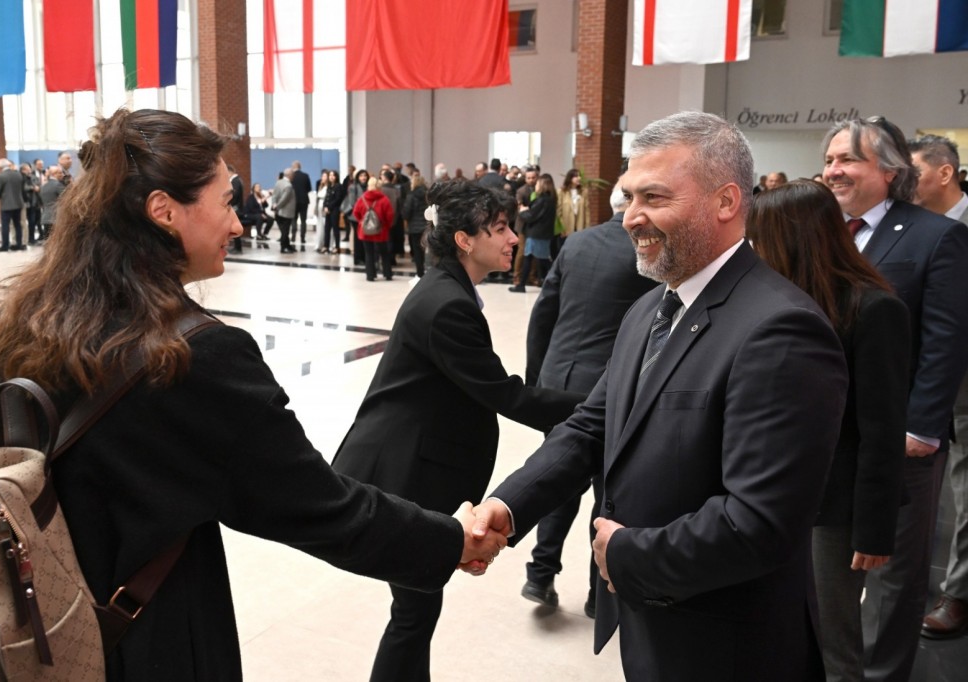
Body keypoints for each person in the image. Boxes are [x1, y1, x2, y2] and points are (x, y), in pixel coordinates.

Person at [0, 108, 505, 682]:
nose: (238, 225)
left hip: (27, 635)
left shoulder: (8, 327)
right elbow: (320, 506)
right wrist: (451, 539)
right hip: (148, 640)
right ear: (164, 210)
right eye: (226, 202)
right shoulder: (198, 357)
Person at [471, 111, 849, 681]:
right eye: (629, 197)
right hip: (654, 625)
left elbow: (761, 522)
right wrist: (507, 505)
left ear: (726, 202)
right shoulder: (650, 308)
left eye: (654, 197)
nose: (630, 217)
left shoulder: (780, 330)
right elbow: (591, 426)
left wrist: (627, 555)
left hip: (724, 644)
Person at [332, 179, 584, 681]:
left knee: (416, 609)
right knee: (414, 612)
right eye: (500, 228)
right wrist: (598, 408)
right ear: (464, 240)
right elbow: (506, 395)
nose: (513, 238)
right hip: (400, 473)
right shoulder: (447, 304)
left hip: (410, 465)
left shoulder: (447, 290)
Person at [822, 117, 968, 681]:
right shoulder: (820, 233)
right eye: (829, 159)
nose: (834, 170)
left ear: (889, 170)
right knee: (827, 572)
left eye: (848, 160)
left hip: (900, 439)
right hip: (827, 436)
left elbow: (945, 340)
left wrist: (922, 428)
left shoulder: (936, 236)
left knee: (893, 577)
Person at [748, 180, 910, 680]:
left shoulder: (873, 308)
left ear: (792, 239)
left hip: (835, 508)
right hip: (772, 495)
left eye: (760, 238)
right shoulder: (779, 302)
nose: (751, 249)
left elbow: (883, 429)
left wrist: (874, 529)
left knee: (832, 639)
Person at [521, 175, 659, 616]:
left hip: (559, 380)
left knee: (558, 479)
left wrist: (538, 378)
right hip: (609, 390)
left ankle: (540, 574)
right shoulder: (647, 252)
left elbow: (543, 313)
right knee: (608, 494)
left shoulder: (577, 242)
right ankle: (599, 594)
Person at [908, 134, 968, 640]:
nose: (906, 183)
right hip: (925, 376)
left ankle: (959, 592)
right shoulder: (908, 228)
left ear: (944, 173)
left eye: (916, 173)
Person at [508, 174, 557, 293]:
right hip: (544, 234)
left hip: (535, 234)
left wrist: (522, 211)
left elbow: (531, 216)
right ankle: (553, 282)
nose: (536, 185)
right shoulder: (551, 199)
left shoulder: (541, 200)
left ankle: (521, 285)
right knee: (541, 259)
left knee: (531, 258)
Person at [352, 176, 393, 281]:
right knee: (384, 253)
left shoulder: (362, 199)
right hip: (381, 230)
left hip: (365, 231)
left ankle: (370, 275)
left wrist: (361, 221)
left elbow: (355, 212)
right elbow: (389, 215)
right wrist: (386, 225)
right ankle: (387, 274)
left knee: (368, 253)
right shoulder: (384, 199)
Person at [402, 170, 429, 278]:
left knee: (417, 250)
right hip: (426, 225)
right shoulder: (428, 195)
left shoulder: (411, 195)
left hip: (414, 226)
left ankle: (420, 272)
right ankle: (426, 269)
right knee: (424, 248)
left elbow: (406, 212)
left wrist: (405, 216)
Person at [0, 158, 25, 251]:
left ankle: (5, 245)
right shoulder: (18, 174)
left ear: (0, 166)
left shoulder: (1, 176)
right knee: (17, 225)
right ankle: (19, 244)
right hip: (18, 203)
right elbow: (22, 188)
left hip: (6, 205)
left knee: (5, 225)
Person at [271, 169, 297, 253]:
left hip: (278, 211)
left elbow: (274, 195)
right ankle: (283, 247)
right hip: (286, 212)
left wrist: (274, 204)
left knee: (284, 230)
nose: (294, 176)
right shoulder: (288, 185)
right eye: (293, 175)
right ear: (290, 175)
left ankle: (287, 245)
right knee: (285, 231)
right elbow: (284, 199)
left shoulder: (278, 182)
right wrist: (277, 206)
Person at [320, 169, 345, 254]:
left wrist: (329, 207)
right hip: (328, 210)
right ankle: (326, 246)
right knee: (327, 228)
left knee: (335, 229)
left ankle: (337, 247)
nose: (331, 177)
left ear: (336, 177)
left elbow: (338, 199)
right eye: (330, 175)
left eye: (333, 175)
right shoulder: (329, 186)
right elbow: (326, 198)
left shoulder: (338, 186)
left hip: (335, 210)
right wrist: (325, 206)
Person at [38, 165, 66, 242]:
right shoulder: (58, 185)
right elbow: (66, 199)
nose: (62, 175)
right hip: (57, 218)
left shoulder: (43, 186)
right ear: (54, 174)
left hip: (46, 218)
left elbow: (40, 202)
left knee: (48, 243)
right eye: (60, 173)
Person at [290, 160, 312, 247]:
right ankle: (303, 238)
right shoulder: (305, 176)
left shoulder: (291, 176)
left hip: (294, 201)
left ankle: (293, 237)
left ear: (294, 166)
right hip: (304, 200)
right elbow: (309, 188)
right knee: (303, 220)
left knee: (294, 219)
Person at [21, 162, 43, 245]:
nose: (29, 171)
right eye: (27, 169)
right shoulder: (21, 178)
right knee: (24, 222)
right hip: (25, 202)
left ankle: (31, 238)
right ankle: (25, 239)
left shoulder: (33, 178)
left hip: (34, 203)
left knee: (33, 222)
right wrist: (33, 188)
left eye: (29, 169)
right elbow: (23, 188)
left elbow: (39, 187)